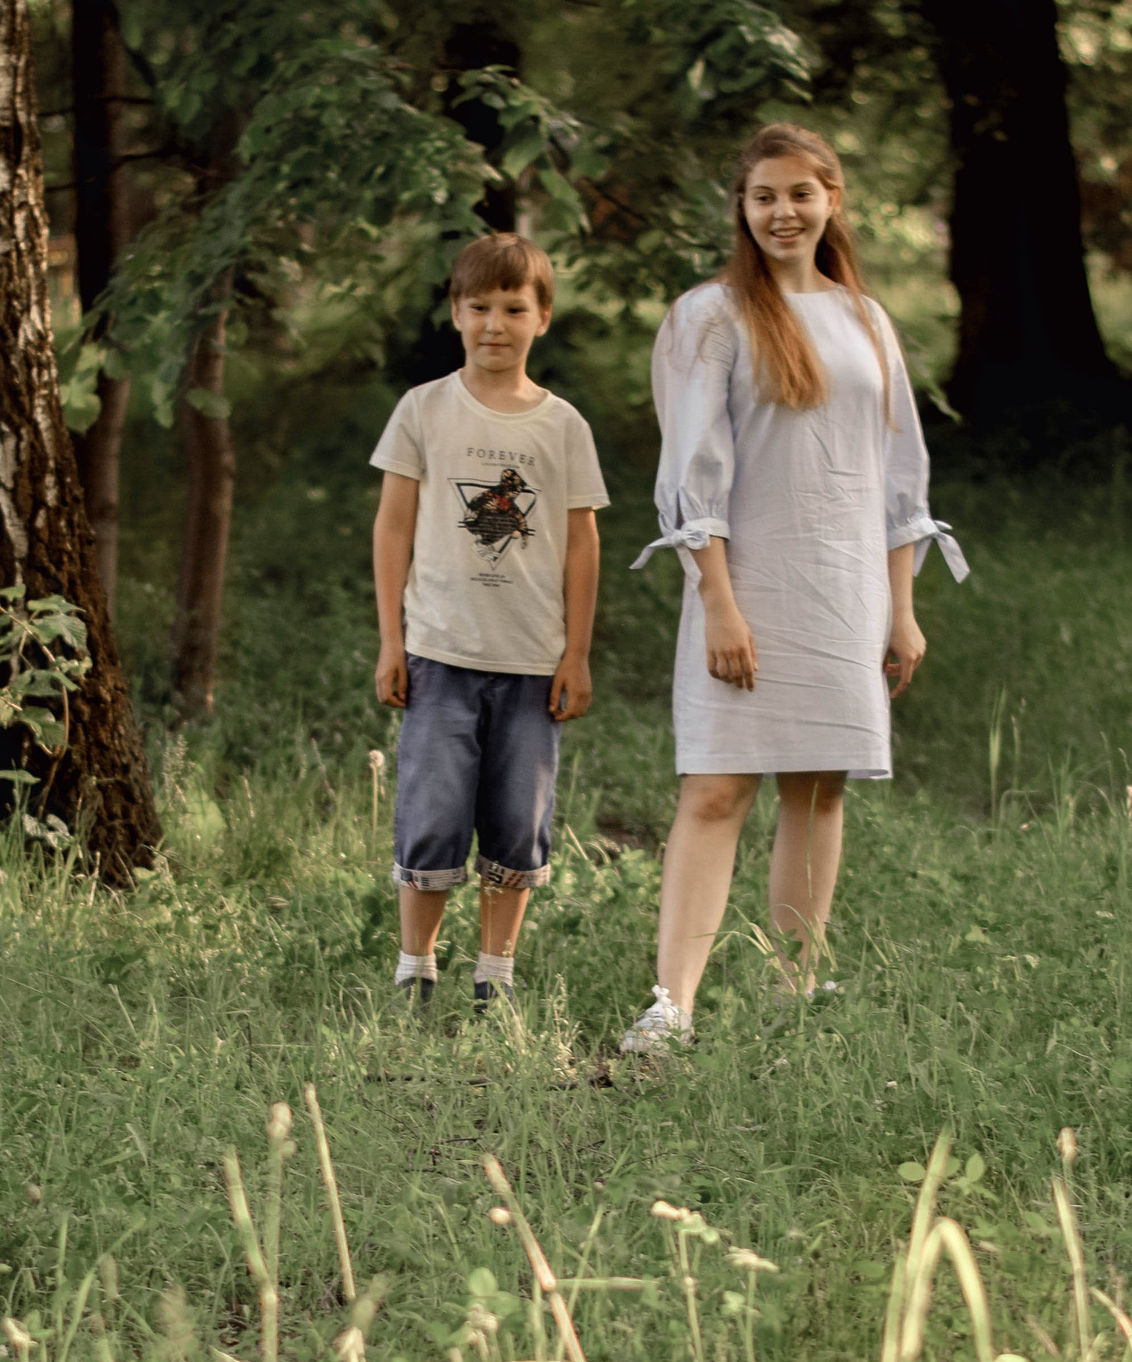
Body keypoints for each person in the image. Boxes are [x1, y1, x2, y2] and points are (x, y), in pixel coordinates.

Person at [618, 123, 967, 1055]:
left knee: (817, 789)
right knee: (717, 789)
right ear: (742, 207)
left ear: (832, 201)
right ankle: (672, 1007)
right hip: (747, 585)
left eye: (800, 194)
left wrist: (902, 606)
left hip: (845, 588)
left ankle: (793, 991)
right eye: (764, 196)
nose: (783, 212)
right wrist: (719, 601)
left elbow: (898, 476)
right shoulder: (711, 315)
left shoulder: (864, 317)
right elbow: (695, 471)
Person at [371, 231, 607, 1012]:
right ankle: (415, 966)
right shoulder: (424, 410)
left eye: (515, 308)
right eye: (480, 307)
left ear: (543, 317)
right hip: (439, 652)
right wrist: (390, 639)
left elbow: (580, 541)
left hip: (534, 661)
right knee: (432, 812)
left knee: (517, 818)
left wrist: (576, 651)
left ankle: (494, 975)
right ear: (455, 313)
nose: (495, 324)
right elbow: (394, 527)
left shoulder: (562, 425)